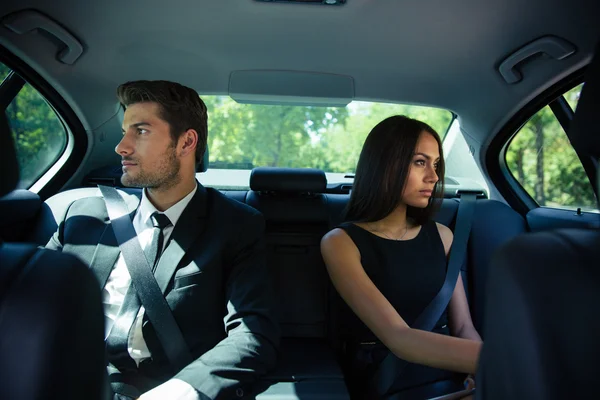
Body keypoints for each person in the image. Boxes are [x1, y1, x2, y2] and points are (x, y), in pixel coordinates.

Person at [46, 80, 280, 400]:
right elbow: (31, 303)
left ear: (186, 142)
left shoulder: (235, 225)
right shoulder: (82, 215)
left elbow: (253, 334)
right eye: (124, 131)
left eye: (140, 131)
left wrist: (186, 388)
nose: (122, 147)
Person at [321, 115, 481, 399]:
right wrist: (503, 362)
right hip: (387, 381)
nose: (433, 176)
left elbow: (463, 326)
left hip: (453, 375)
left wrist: (478, 374)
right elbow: (400, 338)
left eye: (436, 164)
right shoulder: (341, 243)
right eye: (420, 162)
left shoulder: (443, 236)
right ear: (386, 164)